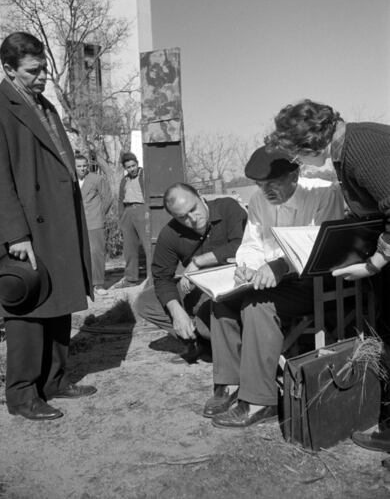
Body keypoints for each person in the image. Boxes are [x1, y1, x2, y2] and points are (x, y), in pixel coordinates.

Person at [0, 32, 96, 421]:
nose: (43, 75)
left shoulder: (46, 106)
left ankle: (55, 380)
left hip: (58, 221)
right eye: (34, 70)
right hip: (26, 226)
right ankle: (23, 395)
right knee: (27, 306)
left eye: (44, 67)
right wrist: (16, 234)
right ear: (9, 69)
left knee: (58, 299)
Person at [265, 99, 390, 450]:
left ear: (310, 143)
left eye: (296, 155)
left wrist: (374, 263)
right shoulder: (345, 149)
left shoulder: (361, 149)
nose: (298, 163)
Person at [205, 146, 344, 427]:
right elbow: (252, 243)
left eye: (273, 183)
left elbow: (320, 247)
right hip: (268, 278)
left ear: (295, 175)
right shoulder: (258, 200)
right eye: (259, 184)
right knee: (220, 301)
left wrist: (280, 266)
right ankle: (229, 384)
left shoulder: (323, 192)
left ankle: (259, 401)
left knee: (257, 306)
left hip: (314, 281)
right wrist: (248, 266)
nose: (265, 190)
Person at [137, 182, 247, 363]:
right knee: (145, 302)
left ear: (199, 195)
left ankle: (217, 337)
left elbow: (243, 245)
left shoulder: (228, 207)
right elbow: (162, 277)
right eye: (183, 217)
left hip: (235, 284)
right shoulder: (169, 234)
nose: (193, 218)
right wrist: (176, 312)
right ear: (173, 216)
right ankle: (199, 341)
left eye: (194, 209)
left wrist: (199, 261)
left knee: (210, 320)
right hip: (201, 290)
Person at [75, 154, 113, 297]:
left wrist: (100, 213)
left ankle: (98, 284)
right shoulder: (70, 179)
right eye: (79, 166)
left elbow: (107, 197)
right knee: (79, 252)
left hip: (94, 221)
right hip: (77, 222)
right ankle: (84, 284)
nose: (82, 168)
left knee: (96, 252)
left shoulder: (96, 179)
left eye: (84, 165)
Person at [114, 152, 150, 288]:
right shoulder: (125, 180)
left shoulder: (145, 175)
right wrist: (121, 217)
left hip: (142, 209)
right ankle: (130, 279)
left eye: (133, 165)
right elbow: (120, 199)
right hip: (128, 212)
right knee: (129, 247)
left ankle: (152, 278)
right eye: (128, 167)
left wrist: (148, 211)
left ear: (137, 163)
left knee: (148, 246)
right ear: (125, 168)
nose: (132, 169)